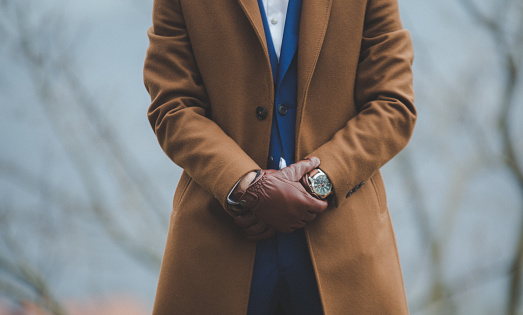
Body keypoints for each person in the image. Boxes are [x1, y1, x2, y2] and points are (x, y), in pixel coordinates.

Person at [143, 0, 416, 313]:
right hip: (219, 245)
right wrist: (245, 182)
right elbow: (172, 107)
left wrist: (319, 182)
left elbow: (393, 104)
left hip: (345, 249)